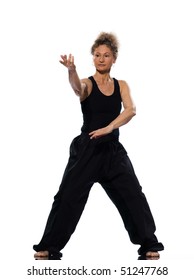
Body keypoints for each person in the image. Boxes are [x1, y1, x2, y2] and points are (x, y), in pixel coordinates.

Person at [33, 32, 164, 260]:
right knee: (67, 198)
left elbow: (131, 110)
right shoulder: (88, 84)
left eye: (106, 55)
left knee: (134, 195)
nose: (101, 59)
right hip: (88, 150)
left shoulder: (121, 85)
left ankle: (148, 244)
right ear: (92, 58)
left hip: (113, 152)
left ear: (114, 58)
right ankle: (49, 246)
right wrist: (71, 71)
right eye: (96, 55)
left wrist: (109, 128)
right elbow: (77, 89)